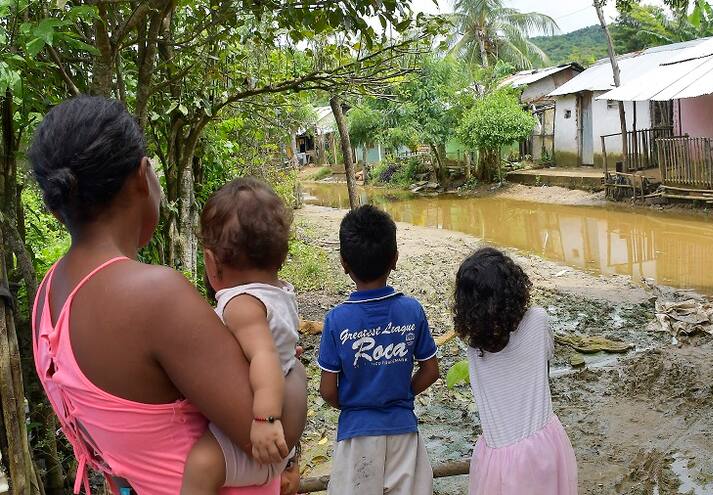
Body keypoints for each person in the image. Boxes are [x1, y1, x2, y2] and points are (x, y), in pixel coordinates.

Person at [29, 95, 307, 495]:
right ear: (143, 176)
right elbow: (271, 439)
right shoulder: (154, 296)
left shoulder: (48, 294)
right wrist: (291, 363)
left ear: (58, 208)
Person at [181, 178, 302, 494]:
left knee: (200, 465)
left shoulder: (241, 305)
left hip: (261, 435)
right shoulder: (278, 293)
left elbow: (265, 356)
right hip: (280, 440)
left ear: (211, 262)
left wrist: (265, 420)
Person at [317, 205, 440, 495]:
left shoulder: (336, 320)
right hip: (403, 434)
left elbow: (327, 390)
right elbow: (431, 371)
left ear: (344, 263)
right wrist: (402, 394)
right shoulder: (412, 311)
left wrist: (354, 404)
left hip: (356, 436)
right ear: (395, 259)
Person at [453, 247, 578, 495]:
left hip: (495, 460)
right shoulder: (538, 321)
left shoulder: (474, 349)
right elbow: (542, 369)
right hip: (543, 446)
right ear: (515, 287)